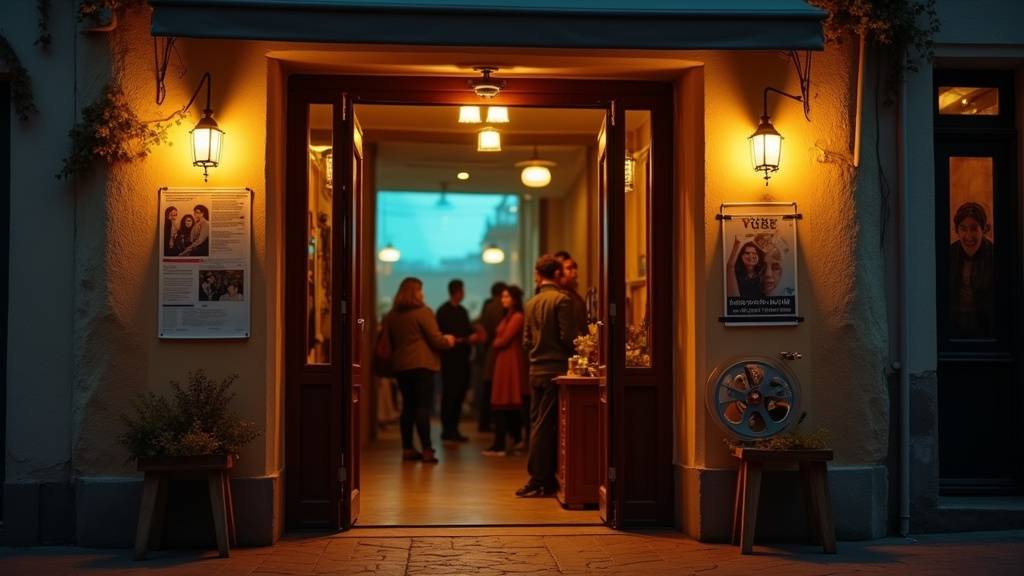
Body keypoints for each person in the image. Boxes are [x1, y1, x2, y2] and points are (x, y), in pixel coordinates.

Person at [517, 255, 575, 497]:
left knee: (536, 422)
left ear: (538, 275)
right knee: (546, 425)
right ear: (557, 274)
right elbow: (568, 337)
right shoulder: (562, 300)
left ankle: (541, 476)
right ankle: (539, 477)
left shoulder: (530, 303)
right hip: (555, 369)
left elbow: (526, 341)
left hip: (535, 370)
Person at [385, 277, 456, 463]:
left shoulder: (392, 315)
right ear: (415, 292)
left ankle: (407, 449)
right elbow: (435, 339)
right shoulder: (423, 312)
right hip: (422, 365)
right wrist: (448, 340)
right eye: (420, 290)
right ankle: (427, 450)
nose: (423, 294)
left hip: (401, 366)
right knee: (422, 406)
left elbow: (389, 342)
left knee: (407, 407)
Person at [483, 285, 526, 456]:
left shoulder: (516, 317)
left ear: (514, 299)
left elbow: (502, 340)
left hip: (510, 361)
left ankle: (502, 443)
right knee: (502, 400)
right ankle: (509, 440)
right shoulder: (508, 316)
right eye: (502, 297)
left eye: (507, 297)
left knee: (505, 399)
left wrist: (497, 340)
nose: (503, 300)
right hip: (504, 360)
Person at [436, 279, 478, 443]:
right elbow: (442, 336)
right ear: (457, 292)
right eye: (462, 290)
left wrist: (470, 337)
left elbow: (467, 330)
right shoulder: (444, 311)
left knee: (459, 394)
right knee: (450, 395)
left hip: (462, 360)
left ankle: (453, 429)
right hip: (449, 360)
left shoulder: (462, 311)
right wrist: (464, 339)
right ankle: (447, 429)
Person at [949, 201, 994, 337]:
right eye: (963, 229)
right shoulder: (949, 254)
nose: (968, 236)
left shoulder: (995, 256)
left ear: (984, 230)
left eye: (974, 229)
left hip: (987, 330)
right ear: (957, 230)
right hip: (953, 330)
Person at [476, 281, 507, 433]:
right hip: (500, 354)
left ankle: (484, 422)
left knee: (488, 390)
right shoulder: (502, 308)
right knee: (498, 391)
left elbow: (484, 330)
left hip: (489, 353)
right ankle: (497, 423)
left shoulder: (488, 307)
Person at [554, 251, 588, 336]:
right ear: (559, 273)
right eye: (569, 268)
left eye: (575, 267)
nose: (575, 271)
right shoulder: (558, 296)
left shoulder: (574, 295)